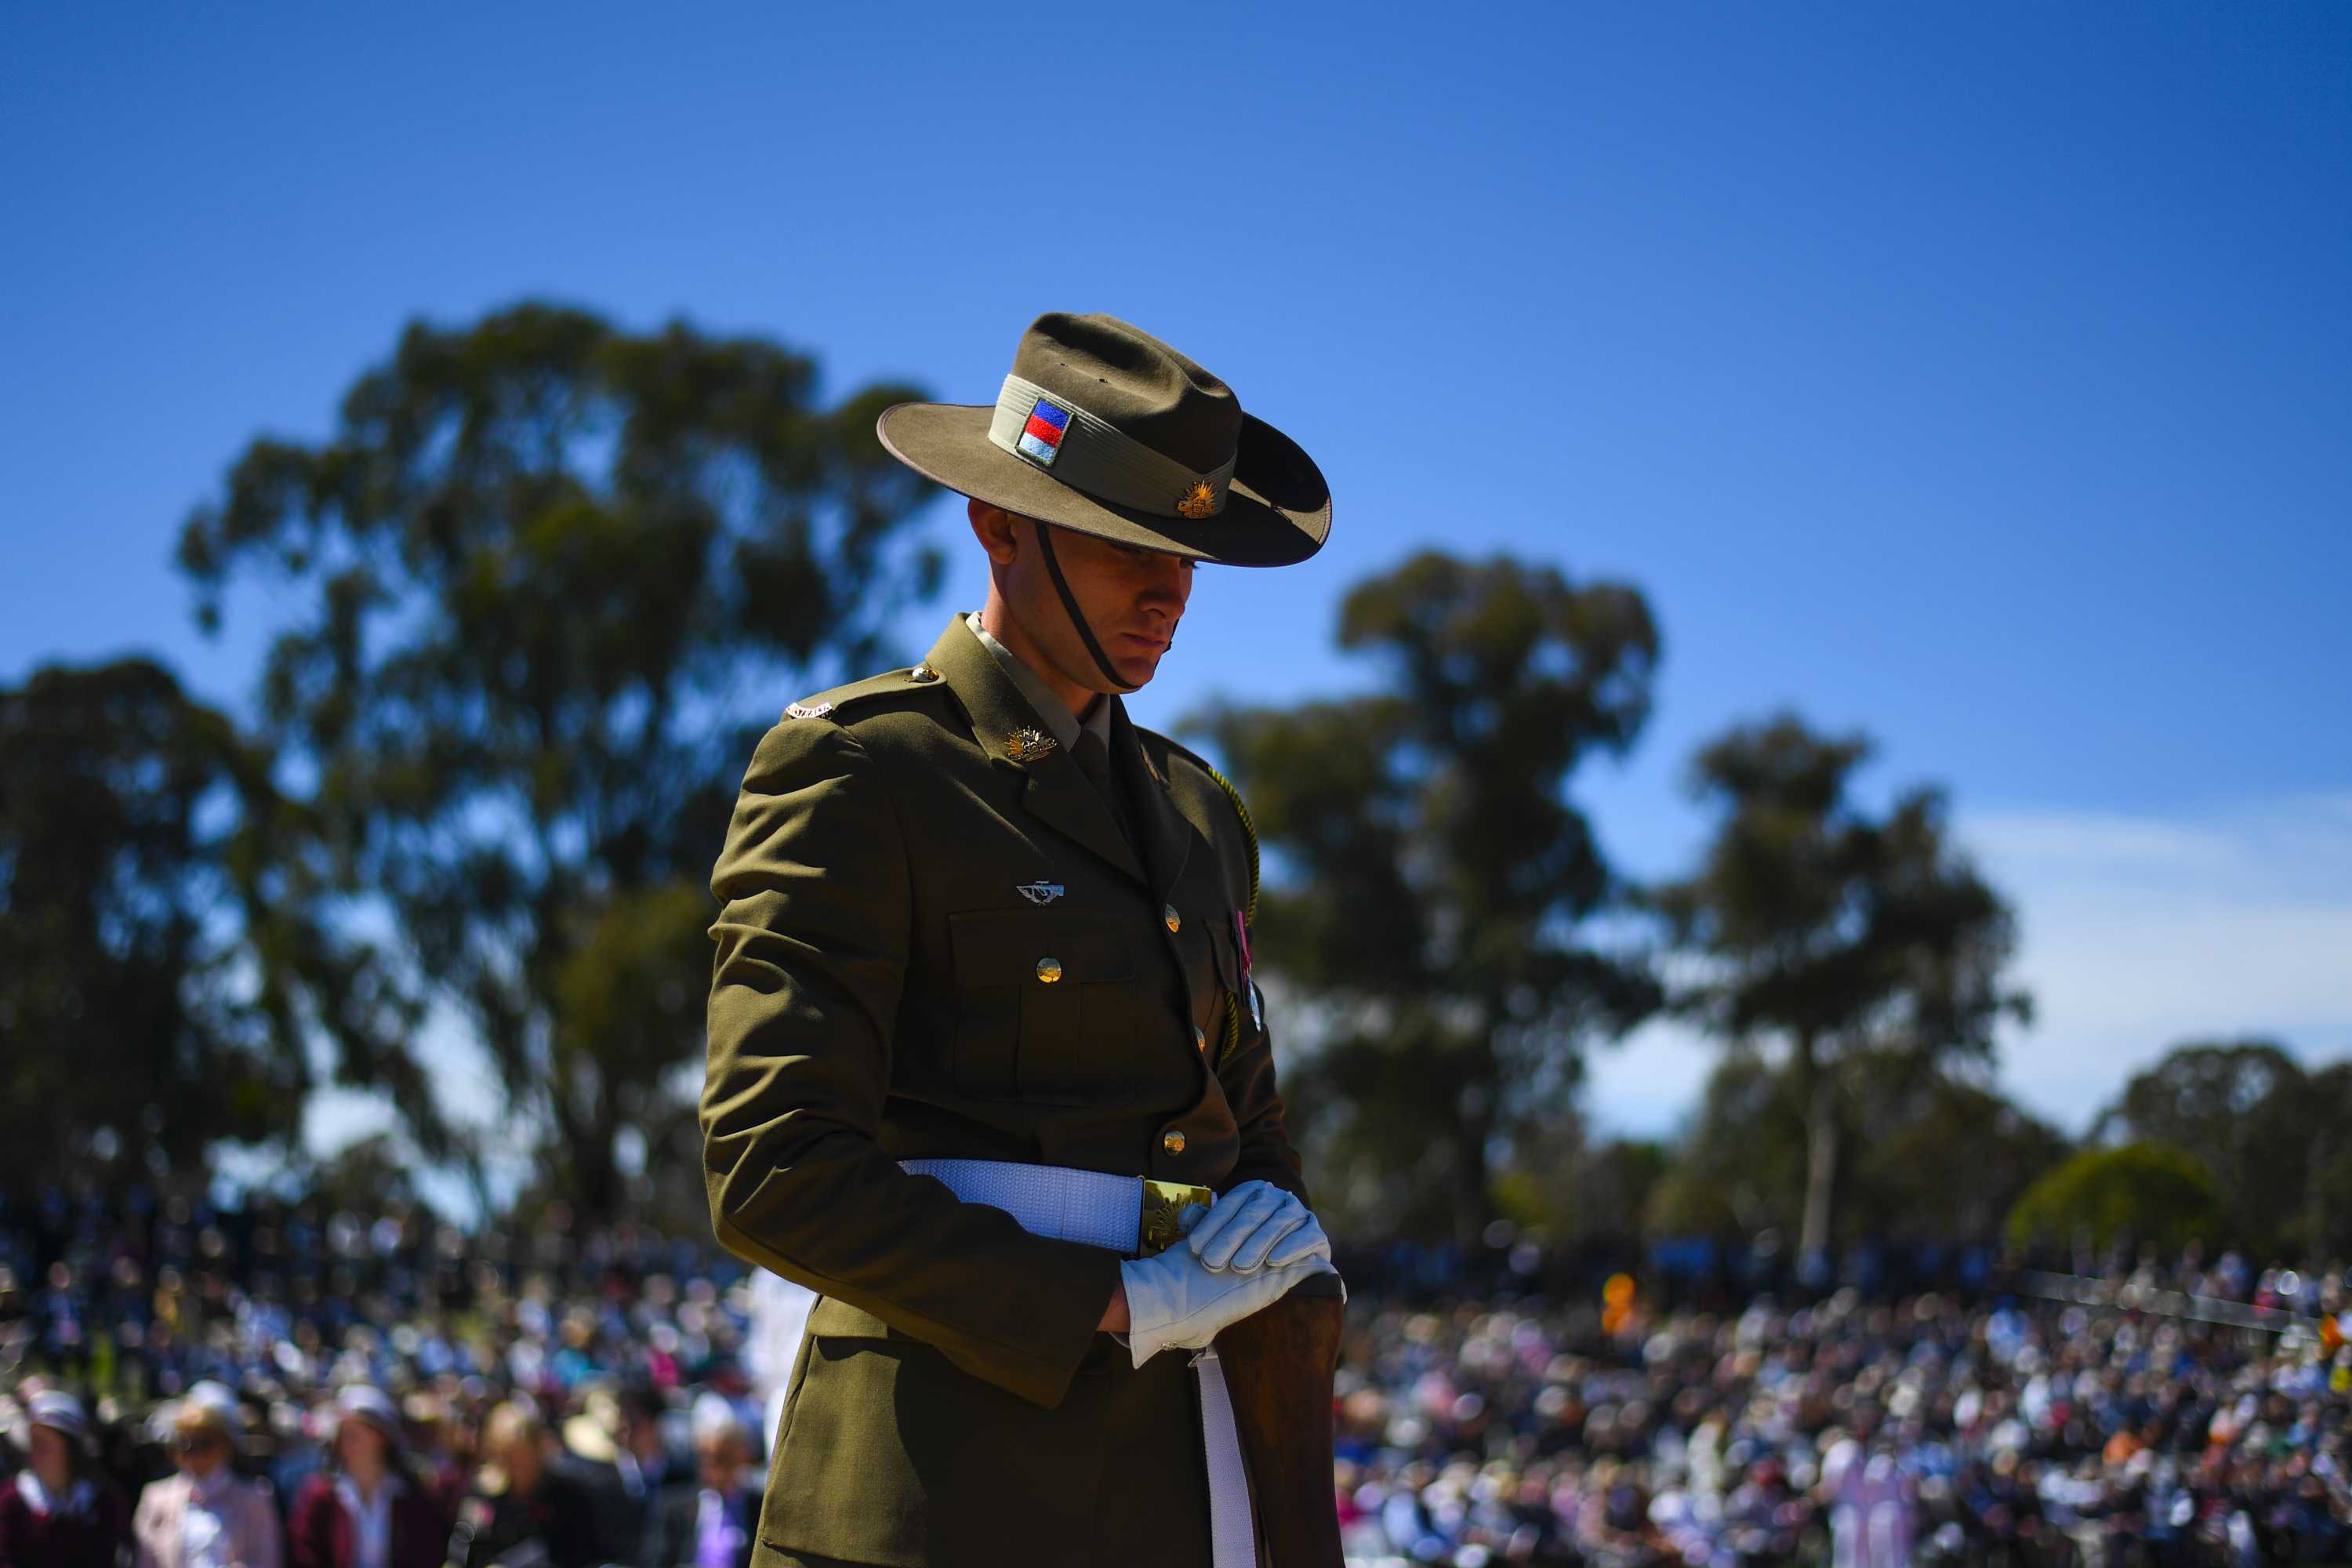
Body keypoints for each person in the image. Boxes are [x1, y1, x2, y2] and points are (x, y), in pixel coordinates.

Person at [702, 310, 1342, 1568]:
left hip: (1181, 1475)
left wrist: (1278, 1231)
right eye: (1125, 548)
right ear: (1001, 524)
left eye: (1188, 555)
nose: (1171, 592)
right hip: (938, 1484)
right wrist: (1113, 1302)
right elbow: (774, 1170)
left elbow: (1244, 1115)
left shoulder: (1199, 810)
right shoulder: (862, 769)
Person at [285, 1386, 450, 1568]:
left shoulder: (411, 1495)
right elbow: (304, 1554)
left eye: (354, 1435)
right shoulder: (320, 1495)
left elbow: (429, 1552)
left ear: (381, 1438)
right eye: (342, 1434)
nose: (346, 1443)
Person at [131, 1391, 282, 1568]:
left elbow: (267, 1560)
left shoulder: (255, 1497)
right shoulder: (156, 1497)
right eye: (185, 1443)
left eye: (205, 1443)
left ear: (225, 1444)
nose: (195, 1453)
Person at [449, 1403, 594, 1568]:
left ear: (538, 1449)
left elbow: (582, 1555)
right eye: (506, 1457)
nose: (516, 1467)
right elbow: (463, 1554)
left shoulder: (568, 1496)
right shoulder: (482, 1497)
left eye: (522, 1457)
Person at [0, 1389, 132, 1566]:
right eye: (32, 1442)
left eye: (44, 1444)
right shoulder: (11, 1501)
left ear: (71, 1449)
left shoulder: (104, 1500)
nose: (35, 1452)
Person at [637, 1402, 756, 1568]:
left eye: (722, 1458)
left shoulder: (758, 1508)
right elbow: (654, 1560)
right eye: (704, 1457)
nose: (710, 1466)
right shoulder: (673, 1508)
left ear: (742, 1457)